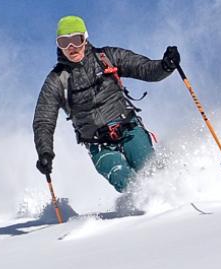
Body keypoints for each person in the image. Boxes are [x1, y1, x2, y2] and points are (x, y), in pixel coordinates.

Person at [32, 15, 180, 193]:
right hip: (99, 144)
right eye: (64, 42)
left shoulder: (107, 58)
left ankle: (177, 199)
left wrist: (165, 66)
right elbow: (43, 120)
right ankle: (147, 211)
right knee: (127, 182)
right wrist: (45, 153)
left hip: (129, 129)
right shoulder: (57, 80)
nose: (71, 47)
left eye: (76, 40)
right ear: (59, 46)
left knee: (152, 173)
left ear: (85, 38)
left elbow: (144, 69)